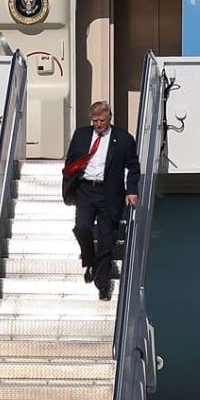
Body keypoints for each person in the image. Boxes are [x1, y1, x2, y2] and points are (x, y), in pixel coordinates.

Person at [61, 100, 140, 301]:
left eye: (101, 121)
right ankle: (89, 258)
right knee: (82, 228)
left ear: (109, 118)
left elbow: (133, 167)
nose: (98, 124)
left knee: (106, 240)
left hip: (110, 193)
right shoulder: (81, 135)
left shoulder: (123, 139)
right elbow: (70, 161)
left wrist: (131, 191)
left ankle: (102, 284)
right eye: (95, 120)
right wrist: (69, 188)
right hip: (86, 190)